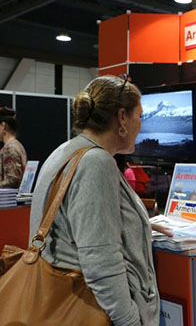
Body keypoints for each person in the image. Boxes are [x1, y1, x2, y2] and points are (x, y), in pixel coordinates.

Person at [29, 75, 159, 326]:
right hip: (91, 309)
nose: (140, 125)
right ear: (122, 117)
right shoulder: (96, 163)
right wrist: (131, 321)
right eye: (139, 116)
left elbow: (79, 228)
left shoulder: (67, 151)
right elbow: (102, 263)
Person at [0, 107, 27, 188]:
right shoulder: (17, 145)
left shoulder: (9, 148)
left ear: (3, 126)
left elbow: (12, 179)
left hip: (8, 198)